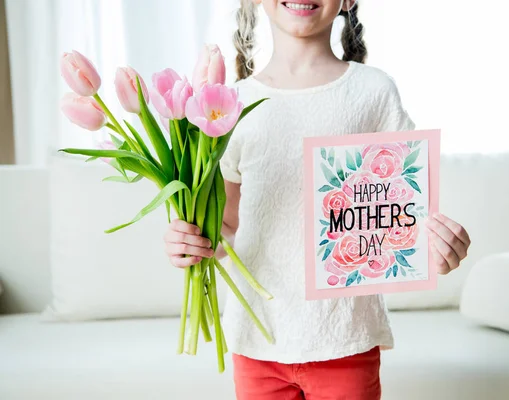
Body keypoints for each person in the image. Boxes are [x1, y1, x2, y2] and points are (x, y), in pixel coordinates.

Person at [163, 1, 471, 399]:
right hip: (258, 341)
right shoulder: (230, 105)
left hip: (347, 339)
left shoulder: (373, 91)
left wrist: (436, 248)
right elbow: (226, 229)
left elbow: (404, 216)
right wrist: (189, 240)